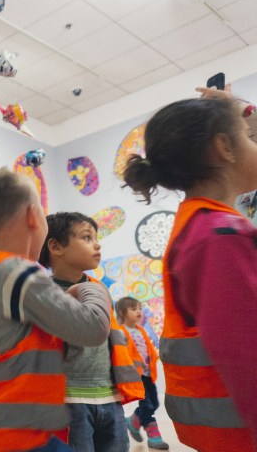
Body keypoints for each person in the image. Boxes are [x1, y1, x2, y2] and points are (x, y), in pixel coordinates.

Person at [122, 90, 257, 451]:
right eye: (249, 136)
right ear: (224, 147)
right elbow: (246, 354)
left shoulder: (202, 224)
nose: (254, 143)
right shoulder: (219, 235)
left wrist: (242, 110)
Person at [0, 168, 112, 452]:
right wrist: (90, 289)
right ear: (34, 216)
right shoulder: (16, 273)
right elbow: (93, 328)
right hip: (9, 433)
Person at [38, 212, 143, 452]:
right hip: (70, 400)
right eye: (87, 237)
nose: (97, 245)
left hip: (110, 396)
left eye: (96, 238)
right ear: (55, 247)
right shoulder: (43, 293)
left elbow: (114, 339)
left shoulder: (99, 289)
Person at [114, 297, 169, 450]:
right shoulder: (121, 332)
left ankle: (133, 421)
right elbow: (122, 353)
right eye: (133, 309)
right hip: (136, 376)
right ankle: (153, 434)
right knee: (147, 405)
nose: (139, 311)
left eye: (139, 308)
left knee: (155, 403)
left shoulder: (141, 330)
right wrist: (132, 364)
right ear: (122, 313)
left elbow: (148, 350)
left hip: (147, 374)